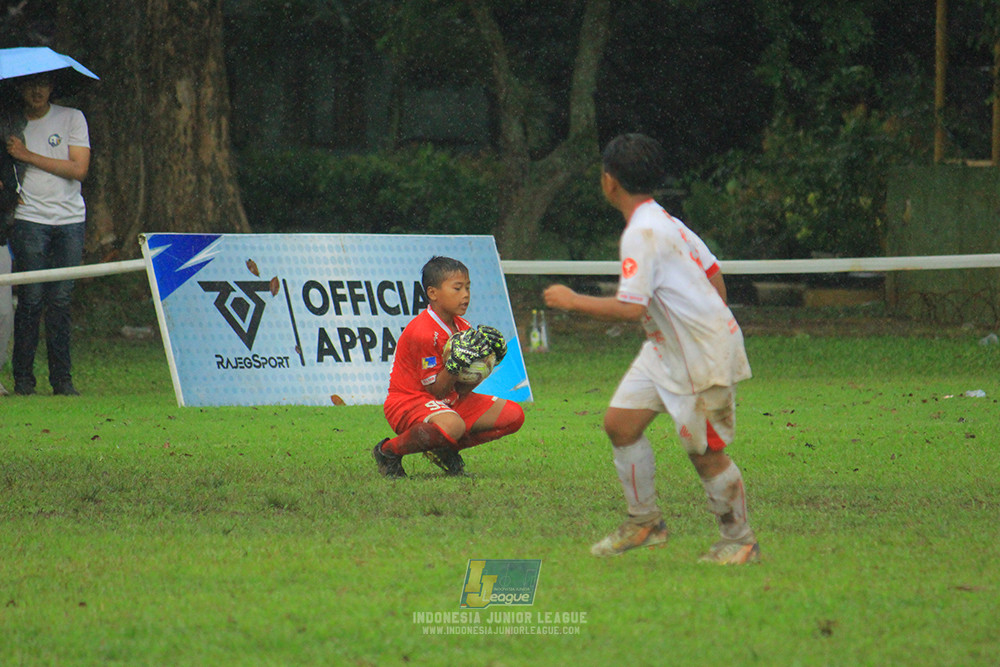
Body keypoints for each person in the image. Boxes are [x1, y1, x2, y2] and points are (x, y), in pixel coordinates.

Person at [543, 133, 758, 564]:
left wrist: (570, 300)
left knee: (706, 453)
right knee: (620, 425)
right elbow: (714, 274)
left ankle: (740, 541)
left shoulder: (643, 231)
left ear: (609, 182)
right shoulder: (666, 221)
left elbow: (629, 308)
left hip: (700, 356)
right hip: (666, 350)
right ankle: (645, 523)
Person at [373, 256, 525, 478]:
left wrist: (489, 362)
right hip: (410, 401)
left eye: (468, 287)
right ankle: (388, 451)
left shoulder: (463, 326)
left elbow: (461, 388)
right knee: (453, 426)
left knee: (513, 415)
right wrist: (455, 365)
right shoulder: (423, 332)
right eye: (457, 288)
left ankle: (445, 449)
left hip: (447, 401)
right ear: (433, 293)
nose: (465, 295)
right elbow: (436, 391)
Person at [6, 71, 91, 396]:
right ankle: (23, 382)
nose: (37, 90)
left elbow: (78, 169)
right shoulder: (10, 122)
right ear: (20, 88)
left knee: (60, 301)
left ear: (53, 87)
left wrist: (27, 156)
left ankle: (63, 382)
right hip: (28, 219)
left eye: (43, 84)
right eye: (30, 84)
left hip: (70, 220)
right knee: (30, 300)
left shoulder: (72, 118)